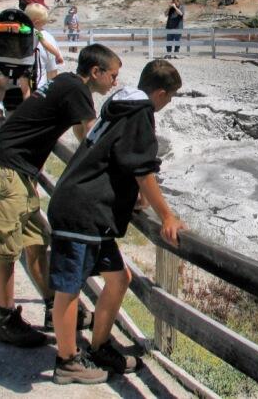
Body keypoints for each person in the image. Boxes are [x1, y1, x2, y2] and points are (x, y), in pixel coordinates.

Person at [0, 44, 122, 349]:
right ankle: (7, 319)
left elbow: (82, 135)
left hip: (16, 173)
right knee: (5, 250)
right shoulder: (78, 90)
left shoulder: (65, 82)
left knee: (37, 240)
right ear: (96, 72)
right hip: (4, 172)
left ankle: (55, 309)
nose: (115, 83)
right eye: (113, 76)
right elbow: (90, 133)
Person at [48, 59, 187, 384]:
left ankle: (98, 346)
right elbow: (142, 169)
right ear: (161, 93)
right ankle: (67, 361)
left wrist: (134, 201)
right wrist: (167, 215)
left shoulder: (119, 103)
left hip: (92, 210)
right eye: (169, 98)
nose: (167, 104)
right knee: (68, 289)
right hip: (81, 209)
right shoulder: (140, 113)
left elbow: (117, 159)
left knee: (119, 278)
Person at [0, 5, 64, 121]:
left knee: (0, 88)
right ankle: (26, 110)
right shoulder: (36, 32)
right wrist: (58, 55)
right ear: (36, 21)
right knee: (26, 90)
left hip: (2, 66)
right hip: (23, 65)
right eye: (42, 24)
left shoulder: (10, 28)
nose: (42, 27)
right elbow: (47, 45)